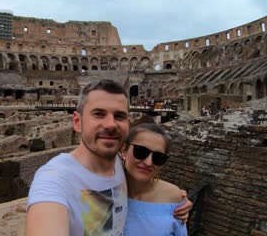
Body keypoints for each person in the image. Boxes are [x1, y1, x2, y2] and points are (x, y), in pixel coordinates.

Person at [26, 79, 192, 235]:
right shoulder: (54, 179)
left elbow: (145, 183)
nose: (110, 124)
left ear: (128, 123)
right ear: (77, 122)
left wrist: (177, 200)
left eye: (119, 116)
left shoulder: (121, 164)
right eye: (98, 114)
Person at [122, 123, 187, 235]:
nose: (148, 162)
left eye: (158, 157)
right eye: (140, 151)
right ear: (124, 151)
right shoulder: (105, 189)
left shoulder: (173, 196)